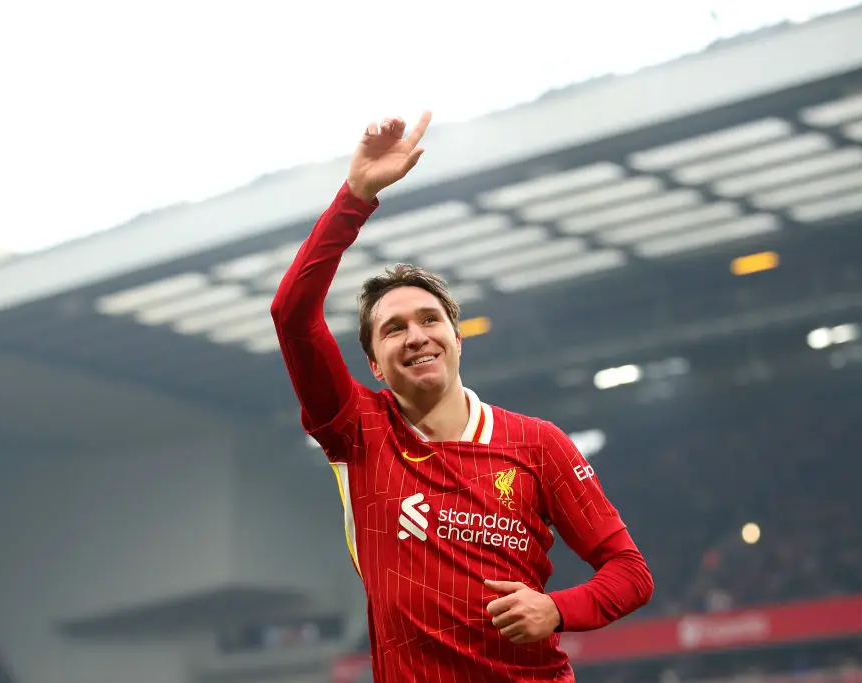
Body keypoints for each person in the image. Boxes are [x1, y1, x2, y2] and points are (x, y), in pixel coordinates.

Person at [271, 112, 654, 683]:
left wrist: (556, 609)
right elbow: (291, 314)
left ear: (457, 338)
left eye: (430, 320)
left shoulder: (537, 443)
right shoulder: (357, 430)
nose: (416, 336)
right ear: (373, 364)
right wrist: (355, 197)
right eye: (394, 329)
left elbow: (630, 572)